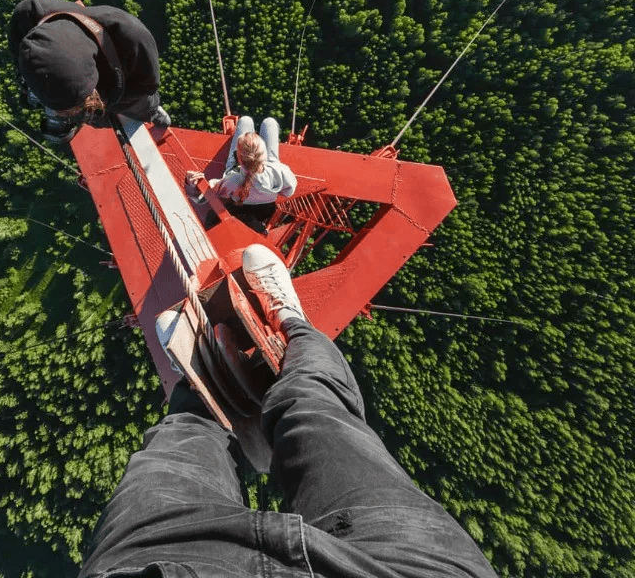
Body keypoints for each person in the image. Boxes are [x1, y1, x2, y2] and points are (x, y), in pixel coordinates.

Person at [78, 244, 500, 578]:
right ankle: (292, 322)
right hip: (397, 566)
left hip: (166, 566)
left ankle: (199, 389)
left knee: (179, 439)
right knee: (315, 409)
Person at [9, 0, 171, 133]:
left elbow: (147, 87)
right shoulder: (29, 15)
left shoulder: (133, 38)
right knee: (92, 116)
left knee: (138, 104)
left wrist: (105, 99)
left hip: (124, 81)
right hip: (79, 63)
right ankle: (93, 115)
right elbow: (20, 53)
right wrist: (31, 84)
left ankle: (151, 112)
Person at [186, 116, 297, 231]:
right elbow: (288, 192)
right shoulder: (280, 172)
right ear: (265, 156)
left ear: (238, 158)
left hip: (242, 198)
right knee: (270, 122)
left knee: (245, 120)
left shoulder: (232, 180)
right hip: (265, 212)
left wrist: (191, 184)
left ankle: (244, 142)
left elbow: (201, 198)